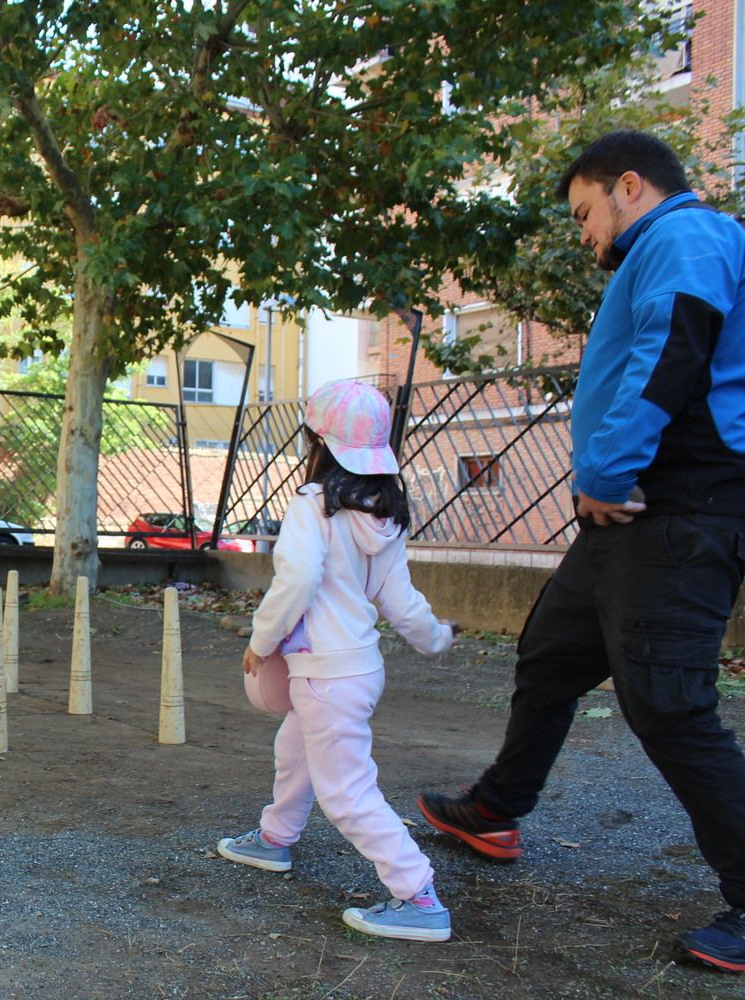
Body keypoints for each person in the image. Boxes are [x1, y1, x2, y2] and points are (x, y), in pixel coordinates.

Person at [418, 129, 745, 974]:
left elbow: (675, 345)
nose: (584, 232)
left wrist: (606, 466)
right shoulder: (667, 248)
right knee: (551, 655)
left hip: (674, 508)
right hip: (624, 522)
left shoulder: (688, 234)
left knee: (668, 705)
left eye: (584, 212)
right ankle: (496, 809)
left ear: (629, 186)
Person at [217, 379, 455, 942]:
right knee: (294, 748)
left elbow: (296, 578)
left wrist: (260, 641)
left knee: (346, 791)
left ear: (317, 442)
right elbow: (400, 600)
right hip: (355, 668)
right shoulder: (383, 515)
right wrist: (437, 639)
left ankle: (417, 895)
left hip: (324, 671)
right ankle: (275, 839)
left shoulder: (313, 506)